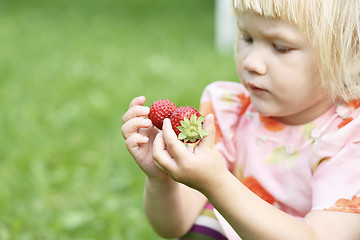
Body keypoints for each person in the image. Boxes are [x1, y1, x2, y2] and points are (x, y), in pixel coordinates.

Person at [121, 0, 360, 239]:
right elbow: (175, 226)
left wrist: (217, 183)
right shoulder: (230, 112)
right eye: (247, 38)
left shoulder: (350, 136)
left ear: (351, 55)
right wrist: (162, 179)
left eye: (281, 47)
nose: (251, 63)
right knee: (206, 220)